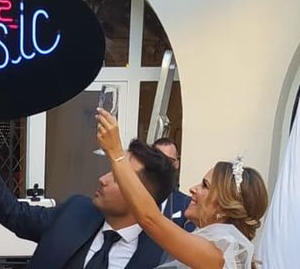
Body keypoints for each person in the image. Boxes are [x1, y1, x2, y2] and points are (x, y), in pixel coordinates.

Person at [0, 116, 176, 268]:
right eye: (110, 170)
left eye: (117, 178)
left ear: (141, 195)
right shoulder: (76, 212)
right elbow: (13, 212)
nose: (103, 179)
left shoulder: (162, 256)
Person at [97, 110, 268, 269]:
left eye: (205, 186)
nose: (193, 189)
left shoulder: (217, 255)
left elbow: (150, 219)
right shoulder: (204, 244)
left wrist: (115, 152)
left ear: (223, 209)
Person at [152, 138, 193, 231]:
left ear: (176, 164)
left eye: (169, 161)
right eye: (159, 159)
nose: (163, 165)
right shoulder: (136, 197)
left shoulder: (186, 204)